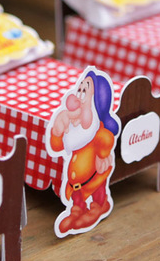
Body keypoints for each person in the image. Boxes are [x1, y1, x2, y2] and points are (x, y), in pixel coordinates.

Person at [47, 69, 119, 236]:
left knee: (96, 188)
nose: (79, 95)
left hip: (94, 177)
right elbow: (58, 147)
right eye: (79, 89)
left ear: (96, 100)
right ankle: (77, 210)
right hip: (75, 183)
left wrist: (103, 154)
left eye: (85, 90)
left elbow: (106, 140)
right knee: (77, 197)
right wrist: (58, 130)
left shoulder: (96, 130)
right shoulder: (73, 126)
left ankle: (99, 205)